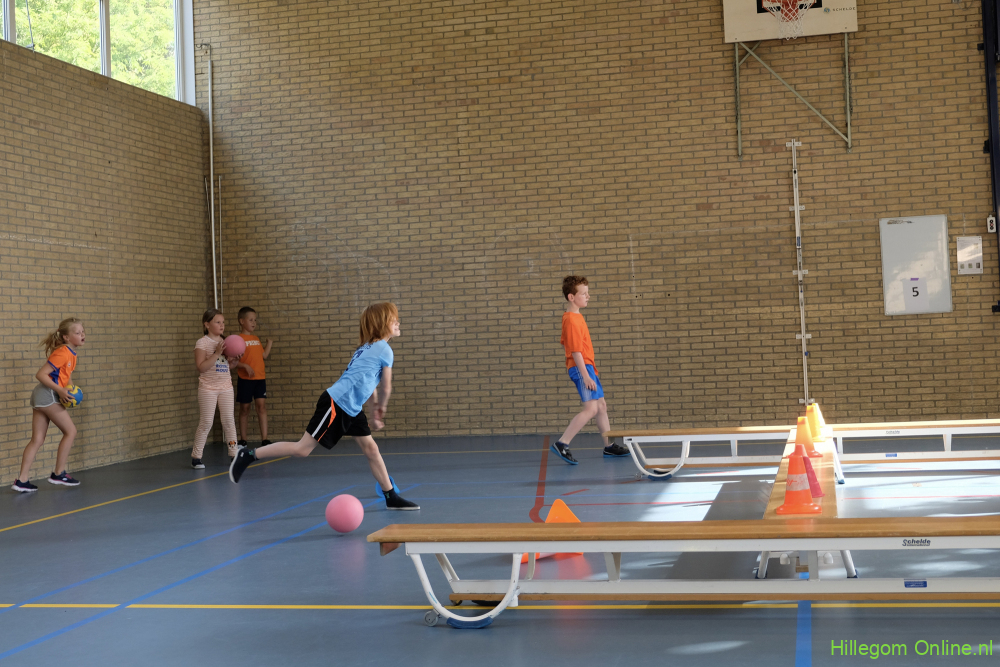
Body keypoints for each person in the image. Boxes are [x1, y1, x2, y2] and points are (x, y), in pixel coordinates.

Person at [229, 302, 419, 510]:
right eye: (393, 319)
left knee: (371, 449)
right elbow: (386, 387)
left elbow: (368, 382)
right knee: (302, 449)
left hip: (352, 408)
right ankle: (249, 455)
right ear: (382, 323)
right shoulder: (384, 349)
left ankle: (390, 496)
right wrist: (381, 408)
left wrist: (373, 410)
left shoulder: (367, 347)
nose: (398, 322)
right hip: (337, 403)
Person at [550, 276, 628, 464]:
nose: (588, 296)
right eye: (583, 294)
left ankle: (609, 446)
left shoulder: (576, 317)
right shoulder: (571, 320)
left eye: (587, 293)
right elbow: (575, 351)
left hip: (588, 367)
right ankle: (562, 443)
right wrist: (585, 375)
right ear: (571, 297)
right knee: (591, 409)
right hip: (582, 369)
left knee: (601, 406)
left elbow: (568, 344)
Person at [12, 318, 87, 492]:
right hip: (47, 394)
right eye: (77, 333)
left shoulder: (71, 354)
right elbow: (41, 374)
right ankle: (58, 473)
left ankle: (22, 481)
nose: (82, 335)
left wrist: (71, 392)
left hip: (42, 396)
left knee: (37, 439)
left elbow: (66, 376)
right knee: (71, 431)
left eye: (83, 332)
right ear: (66, 337)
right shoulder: (63, 352)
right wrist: (60, 391)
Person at [192, 308, 240, 469]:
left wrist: (234, 361)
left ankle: (234, 453)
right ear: (207, 325)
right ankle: (196, 457)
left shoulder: (225, 341)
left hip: (226, 387)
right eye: (217, 322)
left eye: (223, 322)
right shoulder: (202, 343)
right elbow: (201, 367)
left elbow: (226, 366)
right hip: (208, 388)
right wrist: (217, 353)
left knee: (229, 421)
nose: (222, 325)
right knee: (206, 422)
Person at [233, 306, 273, 449]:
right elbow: (233, 361)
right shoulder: (238, 340)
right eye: (250, 320)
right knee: (245, 408)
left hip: (260, 379)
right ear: (241, 321)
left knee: (261, 406)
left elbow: (264, 356)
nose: (254, 323)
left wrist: (269, 343)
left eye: (255, 320)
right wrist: (245, 366)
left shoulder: (256, 339)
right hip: (245, 380)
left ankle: (265, 439)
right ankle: (243, 440)